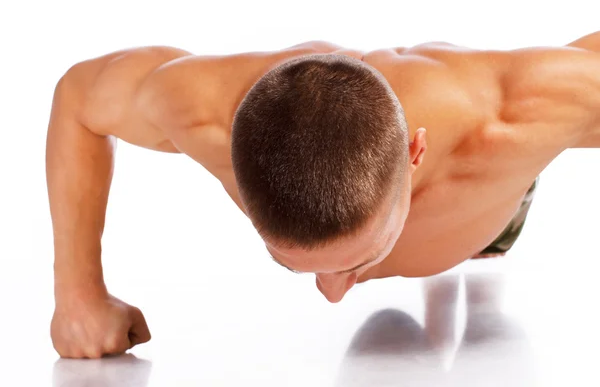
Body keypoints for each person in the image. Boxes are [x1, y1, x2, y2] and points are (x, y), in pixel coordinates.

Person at [47, 33, 600, 358]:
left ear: (415, 155)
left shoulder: (515, 117)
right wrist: (78, 296)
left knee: (494, 233)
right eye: (289, 264)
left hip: (491, 202)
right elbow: (78, 98)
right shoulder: (202, 113)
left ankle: (500, 223)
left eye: (360, 258)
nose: (333, 296)